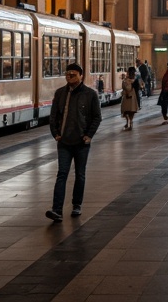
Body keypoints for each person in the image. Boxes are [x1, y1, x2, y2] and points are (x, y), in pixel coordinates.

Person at [47, 62, 102, 222]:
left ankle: (76, 204)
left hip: (81, 143)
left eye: (73, 74)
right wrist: (56, 134)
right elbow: (53, 116)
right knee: (62, 174)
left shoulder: (90, 94)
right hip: (64, 142)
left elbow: (97, 117)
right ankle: (56, 210)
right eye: (67, 74)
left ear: (81, 76)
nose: (69, 77)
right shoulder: (60, 93)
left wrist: (89, 136)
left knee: (80, 174)